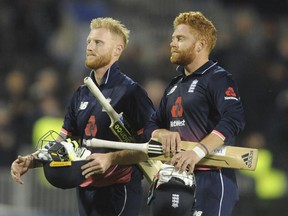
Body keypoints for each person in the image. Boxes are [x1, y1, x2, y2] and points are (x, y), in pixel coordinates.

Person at [11, 17, 155, 216]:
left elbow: (151, 148)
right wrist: (33, 160)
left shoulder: (131, 92)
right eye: (89, 41)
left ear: (117, 50)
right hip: (86, 189)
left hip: (119, 191)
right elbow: (64, 140)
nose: (90, 47)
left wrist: (111, 158)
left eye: (98, 42)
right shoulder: (81, 93)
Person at [144, 11, 245, 216]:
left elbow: (234, 119)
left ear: (200, 44)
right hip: (174, 180)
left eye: (180, 38)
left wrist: (197, 152)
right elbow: (151, 125)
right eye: (173, 38)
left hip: (212, 180)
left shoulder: (218, 78)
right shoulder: (173, 86)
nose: (172, 43)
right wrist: (161, 133)